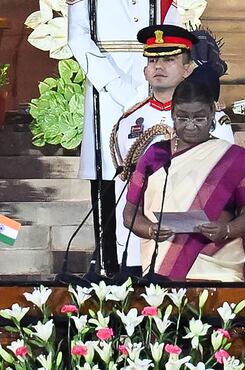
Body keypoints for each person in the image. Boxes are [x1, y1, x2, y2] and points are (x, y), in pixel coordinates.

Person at [123, 75, 245, 282]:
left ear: (212, 113)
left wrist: (227, 229)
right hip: (163, 263)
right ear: (172, 114)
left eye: (199, 118)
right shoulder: (155, 155)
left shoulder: (230, 159)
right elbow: (130, 214)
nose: (190, 125)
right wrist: (151, 230)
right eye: (182, 117)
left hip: (220, 263)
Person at [111, 24, 234, 276]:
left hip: (192, 240)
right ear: (145, 70)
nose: (159, 66)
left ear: (188, 68)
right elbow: (124, 183)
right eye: (153, 59)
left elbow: (223, 182)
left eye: (169, 59)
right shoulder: (128, 122)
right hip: (139, 237)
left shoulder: (213, 120)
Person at [67, 0, 179, 276]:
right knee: (110, 173)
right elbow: (77, 36)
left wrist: (147, 84)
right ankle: (109, 267)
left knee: (159, 177)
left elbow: (171, 32)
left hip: (153, 87)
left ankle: (152, 267)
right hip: (104, 91)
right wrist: (114, 84)